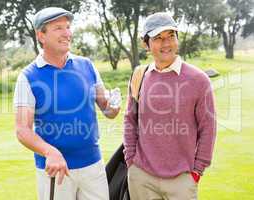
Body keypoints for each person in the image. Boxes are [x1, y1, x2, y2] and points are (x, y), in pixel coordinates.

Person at [13, 7, 121, 200]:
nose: (67, 33)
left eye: (68, 27)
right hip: (56, 170)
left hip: (92, 165)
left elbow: (107, 109)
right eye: (58, 28)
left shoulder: (87, 65)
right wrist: (50, 152)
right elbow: (22, 130)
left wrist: (113, 106)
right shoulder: (28, 76)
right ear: (41, 36)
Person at [123, 12, 216, 200]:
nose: (166, 44)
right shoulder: (139, 75)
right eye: (158, 38)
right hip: (142, 177)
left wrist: (197, 171)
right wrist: (131, 160)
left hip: (182, 180)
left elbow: (208, 128)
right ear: (146, 43)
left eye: (171, 36)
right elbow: (130, 120)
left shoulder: (199, 80)